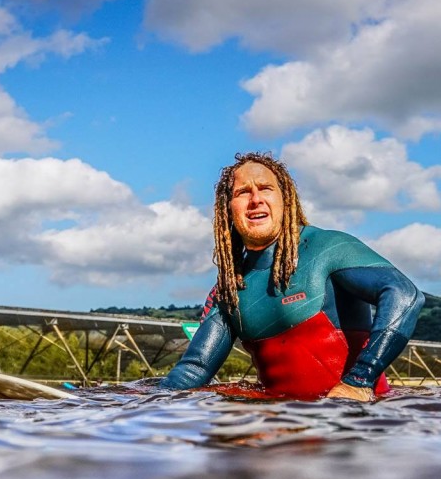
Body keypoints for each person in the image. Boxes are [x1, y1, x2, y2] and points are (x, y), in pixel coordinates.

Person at [161, 152, 424, 401]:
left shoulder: (327, 248)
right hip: (282, 430)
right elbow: (193, 371)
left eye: (265, 188)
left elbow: (405, 295)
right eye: (243, 192)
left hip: (353, 425)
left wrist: (359, 381)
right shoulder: (230, 289)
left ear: (285, 199)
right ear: (228, 209)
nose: (255, 199)